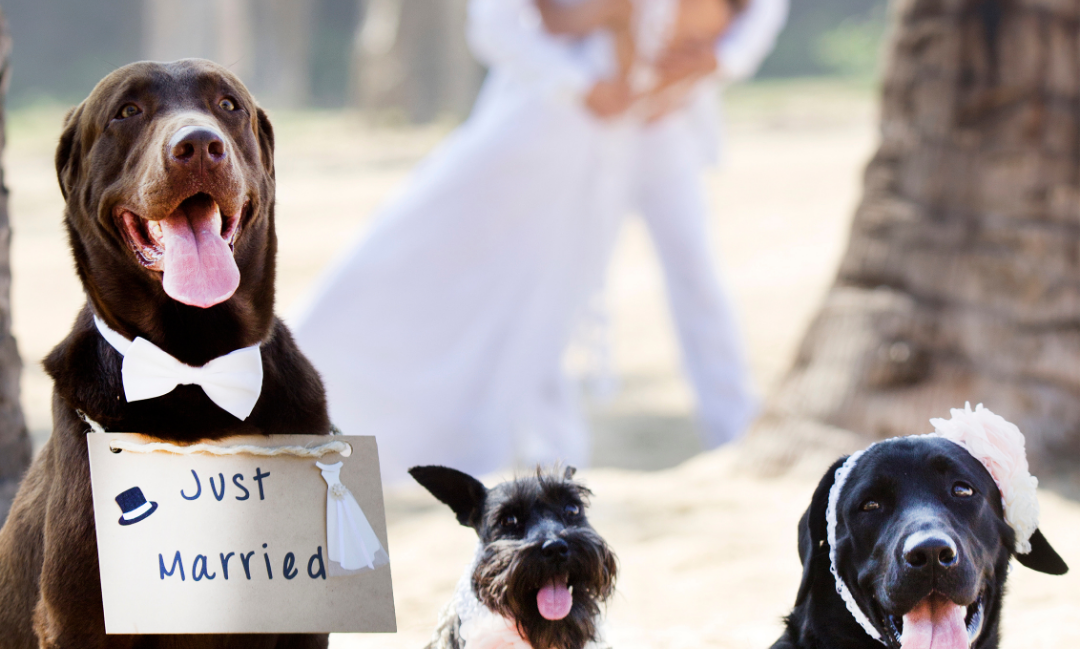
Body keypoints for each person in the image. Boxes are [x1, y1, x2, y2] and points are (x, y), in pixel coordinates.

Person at [291, 0, 787, 484]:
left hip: (662, 122)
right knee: (538, 284)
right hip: (563, 120)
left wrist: (710, 63)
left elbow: (755, 13)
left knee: (694, 276)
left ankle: (736, 427)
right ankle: (550, 450)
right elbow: (499, 25)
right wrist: (583, 83)